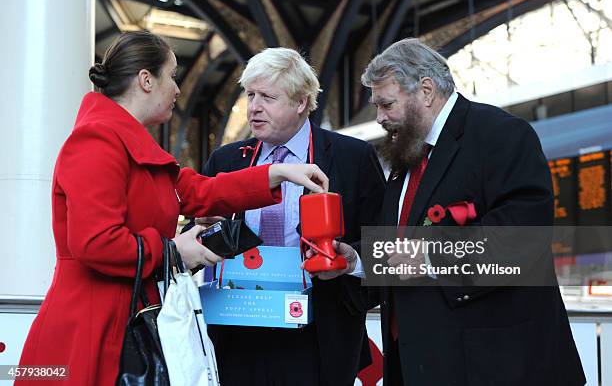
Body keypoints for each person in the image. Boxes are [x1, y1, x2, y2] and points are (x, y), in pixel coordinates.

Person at [16, 31, 328, 386]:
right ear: (146, 80)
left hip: (124, 318)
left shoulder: (126, 143)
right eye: (172, 76)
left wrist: (277, 172)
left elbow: (199, 191)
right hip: (92, 326)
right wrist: (174, 251)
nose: (177, 89)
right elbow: (95, 242)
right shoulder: (97, 141)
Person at [311, 38, 586, 385]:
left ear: (426, 91)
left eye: (387, 104)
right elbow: (402, 250)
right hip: (419, 365)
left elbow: (523, 237)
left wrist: (431, 255)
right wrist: (358, 260)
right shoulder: (406, 157)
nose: (380, 117)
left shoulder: (500, 134)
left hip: (495, 366)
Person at [192, 47, 385, 385]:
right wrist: (208, 232)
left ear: (300, 102)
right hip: (240, 329)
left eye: (267, 96)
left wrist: (345, 258)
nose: (253, 107)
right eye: (250, 94)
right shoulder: (226, 162)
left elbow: (382, 242)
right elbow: (200, 241)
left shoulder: (352, 157)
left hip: (320, 332)